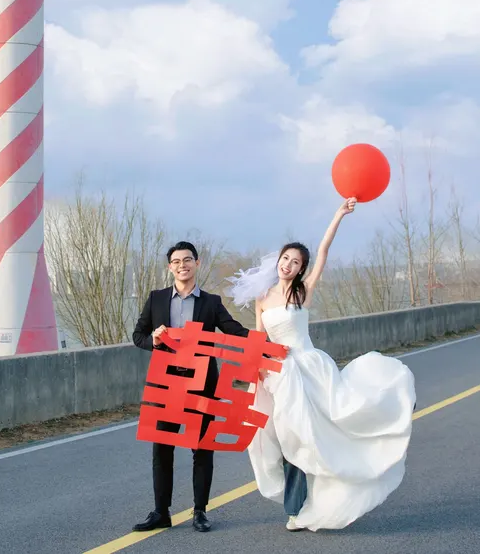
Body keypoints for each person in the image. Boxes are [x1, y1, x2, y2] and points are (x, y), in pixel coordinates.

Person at [227, 198, 416, 532]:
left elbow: (324, 250)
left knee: (311, 435)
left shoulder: (302, 292)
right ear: (278, 260)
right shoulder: (263, 297)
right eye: (285, 258)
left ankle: (302, 506)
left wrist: (338, 215)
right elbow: (259, 340)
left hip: (309, 370)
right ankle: (300, 503)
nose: (288, 265)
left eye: (295, 262)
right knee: (285, 438)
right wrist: (258, 373)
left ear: (301, 268)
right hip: (278, 375)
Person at [132, 240, 250, 534]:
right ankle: (161, 512)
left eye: (187, 260)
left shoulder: (211, 302)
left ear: (197, 263)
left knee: (202, 448)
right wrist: (153, 340)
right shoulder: (156, 298)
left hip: (202, 386)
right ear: (169, 267)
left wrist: (267, 342)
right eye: (176, 261)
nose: (181, 265)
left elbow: (234, 330)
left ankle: (200, 512)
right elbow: (138, 335)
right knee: (162, 449)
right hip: (166, 384)